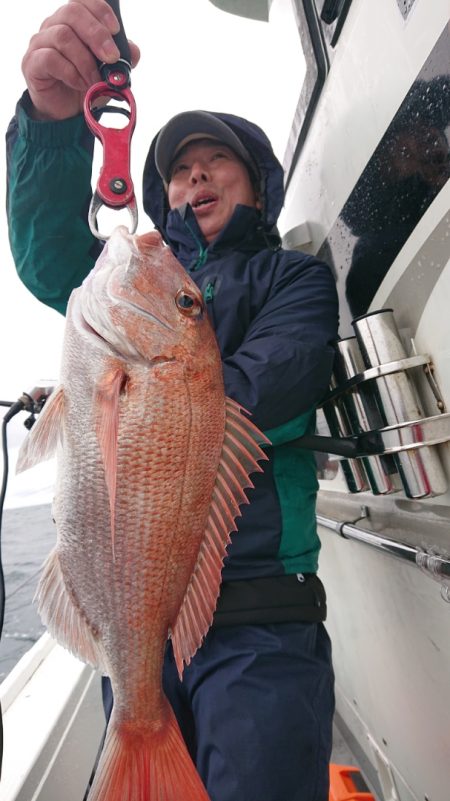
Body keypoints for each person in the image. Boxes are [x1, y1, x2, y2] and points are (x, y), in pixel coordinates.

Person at [6, 2, 339, 799]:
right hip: (135, 635)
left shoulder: (293, 278)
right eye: (178, 171)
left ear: (256, 184)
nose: (192, 178)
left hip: (262, 619)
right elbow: (50, 245)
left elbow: (281, 375)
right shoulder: (131, 283)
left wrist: (157, 385)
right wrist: (53, 121)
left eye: (213, 163)